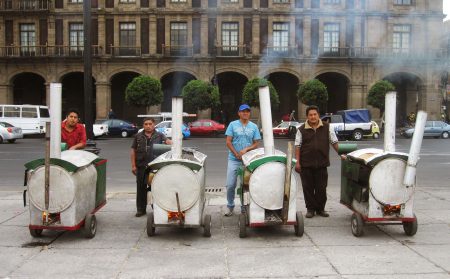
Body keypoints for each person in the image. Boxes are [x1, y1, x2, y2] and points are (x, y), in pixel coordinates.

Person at [294, 105, 345, 218]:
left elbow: (334, 142)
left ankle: (320, 209)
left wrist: (341, 154)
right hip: (306, 164)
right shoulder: (301, 130)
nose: (313, 117)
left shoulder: (327, 127)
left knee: (321, 188)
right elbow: (297, 146)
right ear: (307, 116)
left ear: (318, 115)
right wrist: (297, 162)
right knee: (308, 188)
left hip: (322, 164)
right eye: (310, 115)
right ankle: (310, 209)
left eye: (315, 114)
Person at [224, 104, 261, 216]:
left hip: (248, 160)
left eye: (247, 111)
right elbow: (228, 141)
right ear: (239, 113)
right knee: (230, 184)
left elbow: (256, 143)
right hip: (233, 159)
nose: (245, 113)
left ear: (249, 113)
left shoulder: (254, 127)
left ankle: (244, 207)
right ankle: (230, 206)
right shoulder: (232, 125)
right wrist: (236, 153)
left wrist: (246, 149)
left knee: (247, 185)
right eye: (243, 111)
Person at [130, 118, 172, 217]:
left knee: (155, 188)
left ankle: (157, 208)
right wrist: (133, 165)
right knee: (141, 188)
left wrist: (172, 142)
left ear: (154, 125)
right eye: (146, 124)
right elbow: (133, 151)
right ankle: (141, 209)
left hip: (154, 167)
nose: (148, 126)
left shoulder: (159, 135)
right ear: (143, 125)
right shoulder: (138, 136)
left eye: (150, 124)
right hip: (141, 167)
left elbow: (168, 142)